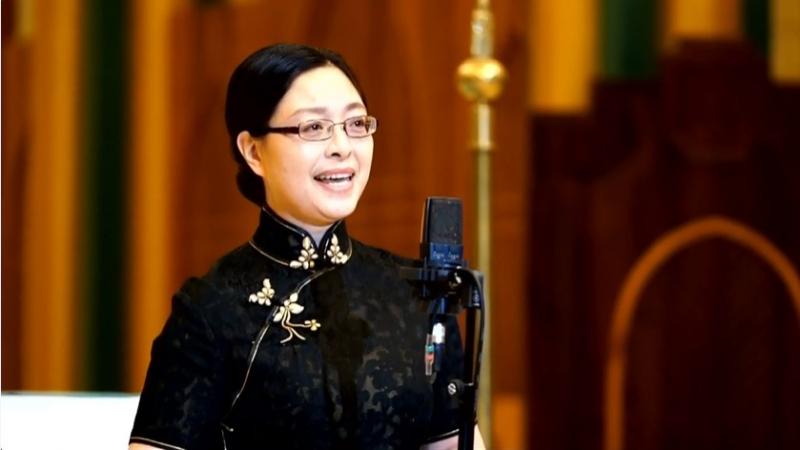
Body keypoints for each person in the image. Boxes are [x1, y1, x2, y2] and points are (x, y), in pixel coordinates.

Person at [128, 43, 486, 450]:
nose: (342, 147)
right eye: (313, 128)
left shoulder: (417, 295)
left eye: (356, 124)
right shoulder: (211, 309)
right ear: (253, 151)